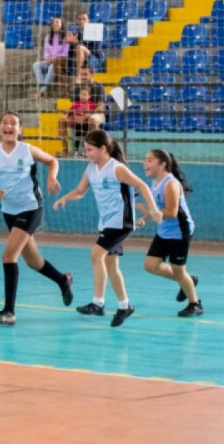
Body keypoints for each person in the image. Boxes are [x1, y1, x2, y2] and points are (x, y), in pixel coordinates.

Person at [52, 130, 161, 327]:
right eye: (85, 150)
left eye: (89, 150)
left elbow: (142, 185)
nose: (86, 154)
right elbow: (80, 191)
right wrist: (65, 198)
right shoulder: (91, 168)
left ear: (103, 149)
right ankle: (124, 305)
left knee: (96, 255)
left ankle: (98, 303)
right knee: (111, 264)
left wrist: (153, 209)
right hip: (107, 222)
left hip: (121, 221)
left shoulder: (116, 168)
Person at [0, 111, 72, 325]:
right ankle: (63, 280)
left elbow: (52, 161)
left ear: (19, 130)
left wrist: (52, 176)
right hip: (8, 211)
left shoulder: (27, 150)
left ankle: (9, 312)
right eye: (5, 122)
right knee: (34, 261)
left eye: (13, 123)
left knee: (8, 255)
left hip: (30, 208)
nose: (8, 126)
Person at [139, 149, 202, 317]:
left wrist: (150, 213)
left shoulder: (171, 184)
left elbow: (171, 212)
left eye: (150, 160)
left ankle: (195, 304)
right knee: (150, 265)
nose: (145, 163)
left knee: (178, 271)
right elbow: (156, 209)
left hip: (179, 232)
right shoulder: (154, 182)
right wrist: (144, 218)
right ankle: (188, 281)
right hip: (165, 231)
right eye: (145, 160)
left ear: (162, 164)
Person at [59, 84, 102, 157]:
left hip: (85, 125)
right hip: (77, 124)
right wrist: (66, 115)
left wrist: (84, 118)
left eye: (85, 95)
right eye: (81, 94)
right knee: (77, 138)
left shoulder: (90, 104)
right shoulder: (76, 104)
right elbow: (70, 111)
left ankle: (84, 151)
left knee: (86, 138)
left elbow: (91, 114)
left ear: (89, 96)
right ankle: (75, 151)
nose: (82, 96)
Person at [32, 17, 69, 96]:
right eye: (53, 22)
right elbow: (46, 52)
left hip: (60, 62)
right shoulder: (48, 37)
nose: (55, 24)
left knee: (52, 67)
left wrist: (54, 59)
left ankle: (42, 91)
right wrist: (47, 58)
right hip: (50, 61)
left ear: (62, 24)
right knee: (36, 65)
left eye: (57, 22)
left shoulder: (66, 37)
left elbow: (65, 53)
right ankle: (42, 89)